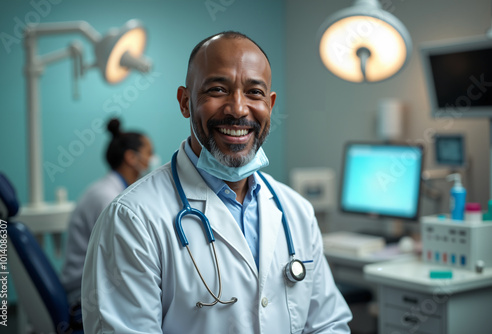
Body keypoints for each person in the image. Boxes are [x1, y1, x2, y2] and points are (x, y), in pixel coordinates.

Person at [82, 32, 352, 333]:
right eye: (218, 89)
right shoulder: (132, 219)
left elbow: (328, 324)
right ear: (185, 102)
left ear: (270, 105)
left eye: (254, 92)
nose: (238, 109)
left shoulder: (297, 211)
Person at [61, 118, 154, 307]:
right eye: (149, 153)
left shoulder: (110, 189)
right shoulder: (108, 198)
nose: (152, 159)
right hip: (84, 294)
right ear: (131, 158)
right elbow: (122, 260)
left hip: (91, 283)